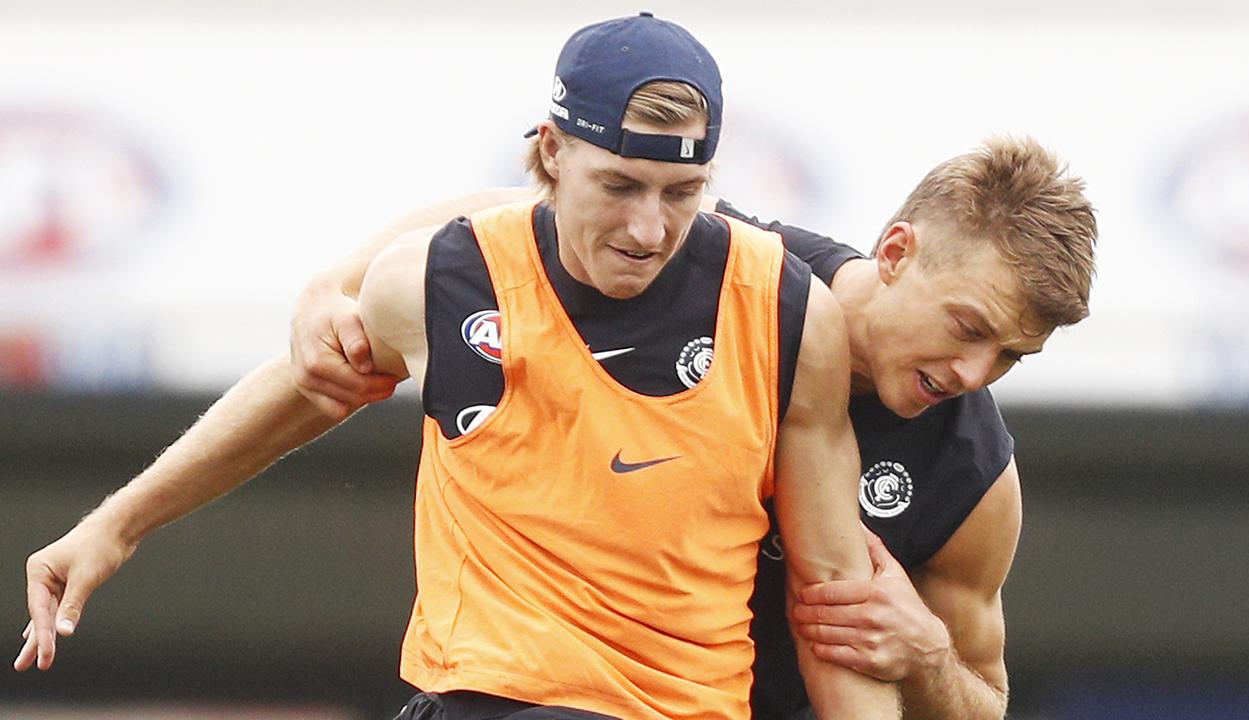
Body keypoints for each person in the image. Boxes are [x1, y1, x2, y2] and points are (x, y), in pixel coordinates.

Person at [15, 13, 900, 720]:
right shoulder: (447, 278)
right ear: (552, 153)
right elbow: (305, 388)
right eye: (620, 187)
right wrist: (118, 524)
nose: (647, 231)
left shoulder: (787, 314)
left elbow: (833, 600)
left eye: (682, 194)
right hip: (476, 695)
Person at [289, 137, 1098, 720]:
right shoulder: (734, 268)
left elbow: (982, 705)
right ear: (895, 251)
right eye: (967, 328)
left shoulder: (974, 475)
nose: (973, 373)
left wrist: (925, 657)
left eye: (1009, 358)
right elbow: (512, 222)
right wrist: (336, 281)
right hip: (550, 686)